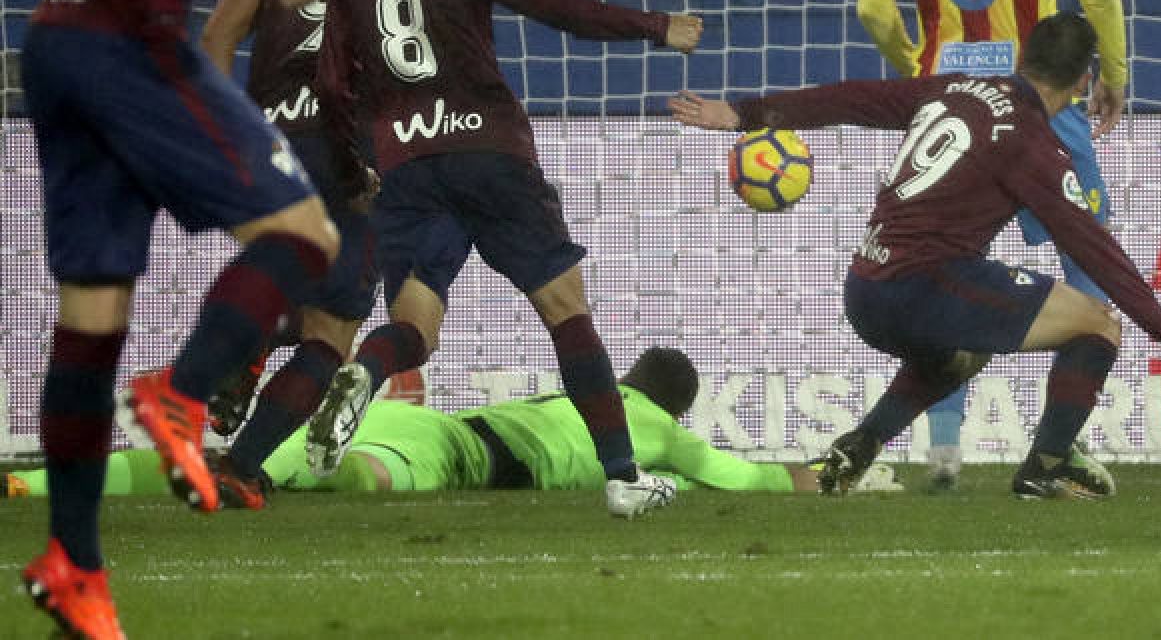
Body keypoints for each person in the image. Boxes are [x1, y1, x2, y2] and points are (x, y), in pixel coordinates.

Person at [17, 0, 337, 636]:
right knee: (303, 234)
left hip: (55, 39)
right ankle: (188, 393)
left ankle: (76, 564)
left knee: (90, 316)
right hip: (127, 36)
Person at [312, 0, 705, 520]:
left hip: (406, 163)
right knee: (563, 308)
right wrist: (656, 27)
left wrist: (357, 169)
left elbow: (332, 84)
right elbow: (556, 6)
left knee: (415, 328)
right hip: (487, 151)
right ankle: (622, 475)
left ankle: (364, 374)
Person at [671, 11, 1161, 499]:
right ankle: (1045, 465)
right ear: (1083, 80)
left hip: (865, 287)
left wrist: (746, 114)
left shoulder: (954, 88)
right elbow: (1097, 250)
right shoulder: (1031, 144)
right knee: (1099, 327)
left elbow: (852, 98)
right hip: (926, 286)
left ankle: (855, 450)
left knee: (961, 351)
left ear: (1022, 58)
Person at [855, 0, 1128, 489]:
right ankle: (1052, 450)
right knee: (1088, 259)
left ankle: (943, 452)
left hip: (949, 101)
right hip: (1040, 95)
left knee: (946, 267)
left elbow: (872, 5)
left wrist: (918, 67)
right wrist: (1114, 72)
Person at [194, 0, 394, 509]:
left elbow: (217, 35)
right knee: (332, 331)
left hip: (271, 147)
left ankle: (243, 351)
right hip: (347, 148)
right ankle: (241, 465)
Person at [3, 349, 885, 500]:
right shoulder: (653, 429)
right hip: (454, 455)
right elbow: (735, 476)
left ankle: (30, 480)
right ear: (674, 404)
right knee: (357, 483)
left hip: (413, 417)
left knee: (229, 465)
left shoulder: (582, 393)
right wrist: (817, 474)